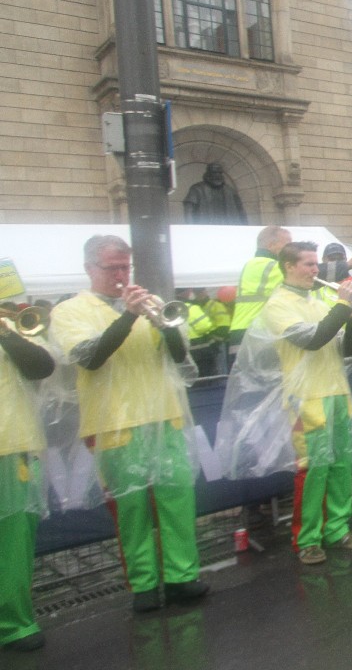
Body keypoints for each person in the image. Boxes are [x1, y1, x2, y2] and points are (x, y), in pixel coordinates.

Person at [49, 236, 209, 612]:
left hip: (164, 414)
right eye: (112, 268)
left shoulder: (150, 302)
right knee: (131, 508)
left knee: (176, 499)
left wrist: (165, 326)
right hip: (113, 422)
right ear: (90, 269)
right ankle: (143, 585)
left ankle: (182, 576)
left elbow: (180, 358)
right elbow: (89, 357)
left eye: (126, 267)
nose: (122, 275)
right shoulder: (70, 310)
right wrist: (129, 316)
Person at [260, 241, 352, 564]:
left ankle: (338, 528)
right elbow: (312, 340)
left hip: (335, 391)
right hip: (306, 397)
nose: (315, 270)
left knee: (340, 465)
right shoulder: (278, 304)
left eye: (315, 264)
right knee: (312, 470)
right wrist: (342, 307)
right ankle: (307, 538)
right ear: (289, 266)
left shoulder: (320, 301)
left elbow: (345, 351)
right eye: (308, 264)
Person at [0, 306, 56, 652]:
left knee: (15, 541)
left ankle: (14, 623)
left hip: (14, 446)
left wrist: (6, 333)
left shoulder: (12, 329)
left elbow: (42, 367)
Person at [229, 226, 291, 346]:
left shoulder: (252, 264)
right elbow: (303, 274)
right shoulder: (271, 266)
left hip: (243, 329)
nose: (291, 249)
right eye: (287, 245)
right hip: (257, 331)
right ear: (271, 245)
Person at [182, 162, 247, 224]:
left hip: (227, 228)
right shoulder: (197, 189)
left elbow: (241, 211)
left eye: (219, 173)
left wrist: (245, 227)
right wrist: (191, 228)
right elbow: (188, 210)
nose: (217, 175)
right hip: (205, 228)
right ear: (208, 174)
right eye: (214, 172)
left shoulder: (230, 191)